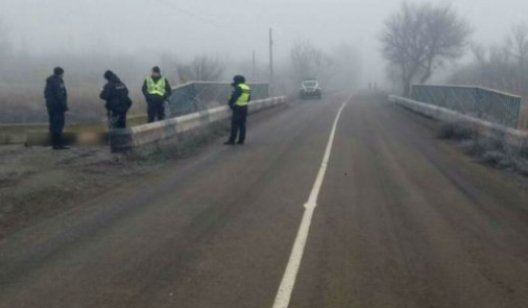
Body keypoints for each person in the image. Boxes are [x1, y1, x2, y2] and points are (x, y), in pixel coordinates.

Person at [44, 67, 69, 150]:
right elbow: (60, 95)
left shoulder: (49, 81)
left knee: (52, 124)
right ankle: (58, 144)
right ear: (61, 73)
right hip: (58, 107)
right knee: (58, 125)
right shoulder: (59, 81)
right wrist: (64, 106)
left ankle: (54, 144)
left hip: (50, 106)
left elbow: (46, 94)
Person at [225, 75, 251, 145]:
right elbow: (248, 98)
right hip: (245, 107)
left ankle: (232, 140)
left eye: (234, 80)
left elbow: (234, 97)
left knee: (235, 124)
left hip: (237, 107)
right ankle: (241, 140)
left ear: (237, 81)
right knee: (242, 124)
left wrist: (230, 104)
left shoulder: (238, 87)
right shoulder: (247, 87)